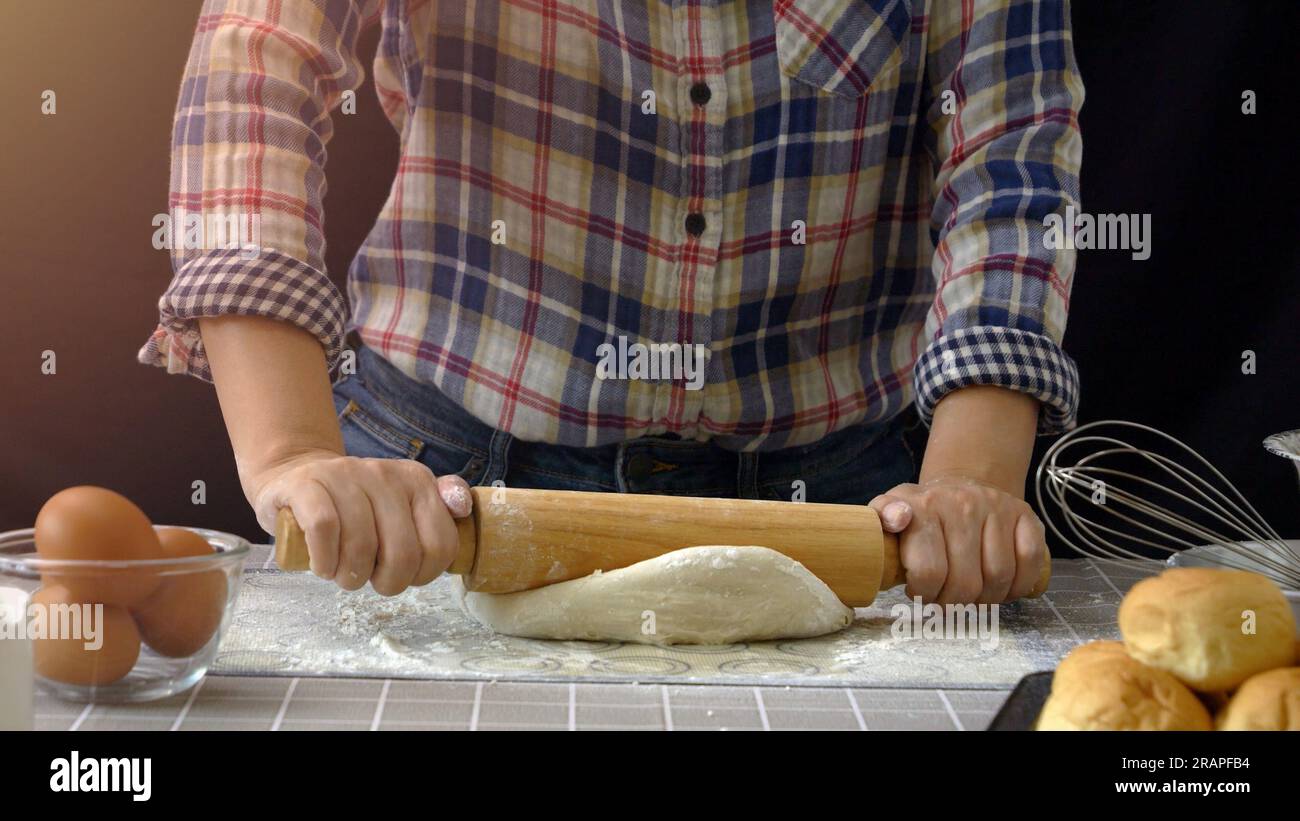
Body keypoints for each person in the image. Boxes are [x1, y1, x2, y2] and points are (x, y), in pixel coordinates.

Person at [142, 1, 1083, 603]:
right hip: (433, 490)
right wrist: (293, 452)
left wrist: (968, 488)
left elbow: (1012, 158)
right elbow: (254, 59)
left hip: (843, 515)